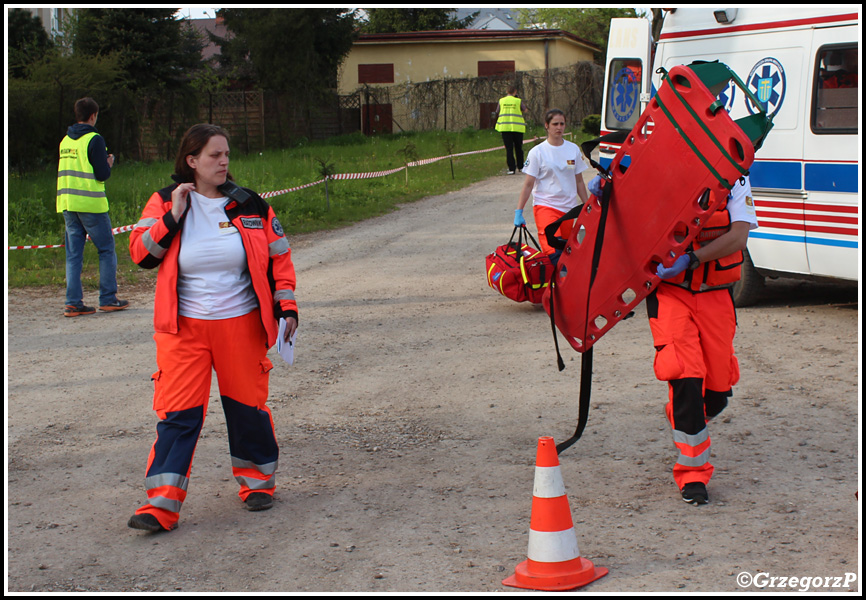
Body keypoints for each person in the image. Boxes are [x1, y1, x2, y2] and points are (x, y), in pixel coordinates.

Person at [127, 124, 299, 532]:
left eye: (226, 155)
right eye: (214, 156)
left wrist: (286, 307)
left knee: (247, 410)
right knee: (178, 415)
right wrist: (173, 216)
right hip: (183, 330)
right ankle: (161, 505)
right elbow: (141, 255)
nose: (223, 162)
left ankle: (257, 483)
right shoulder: (164, 201)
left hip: (240, 326)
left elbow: (280, 261)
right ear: (191, 161)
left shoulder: (251, 205)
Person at [648, 175, 757, 505]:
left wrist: (693, 259)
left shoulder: (736, 179)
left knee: (718, 394)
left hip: (715, 295)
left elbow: (738, 237)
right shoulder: (660, 170)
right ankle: (692, 474)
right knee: (686, 376)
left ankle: (684, 411)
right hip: (671, 293)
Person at [56, 97, 129, 317]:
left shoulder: (65, 141)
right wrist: (109, 163)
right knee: (106, 250)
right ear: (93, 116)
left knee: (73, 254)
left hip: (68, 204)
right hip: (91, 204)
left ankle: (73, 302)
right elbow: (101, 174)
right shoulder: (95, 139)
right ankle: (108, 298)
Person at [514, 109, 590, 255]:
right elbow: (528, 184)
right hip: (546, 206)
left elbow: (579, 181)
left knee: (567, 252)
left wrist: (587, 205)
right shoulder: (538, 152)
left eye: (562, 124)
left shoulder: (573, 149)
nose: (559, 127)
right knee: (552, 252)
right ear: (547, 126)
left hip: (569, 209)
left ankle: (561, 278)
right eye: (555, 124)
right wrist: (519, 211)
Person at [494, 85, 529, 174]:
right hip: (517, 128)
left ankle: (511, 169)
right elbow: (525, 110)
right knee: (518, 148)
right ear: (515, 92)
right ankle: (521, 167)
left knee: (509, 149)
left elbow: (497, 111)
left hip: (505, 128)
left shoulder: (501, 101)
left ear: (506, 91)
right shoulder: (518, 101)